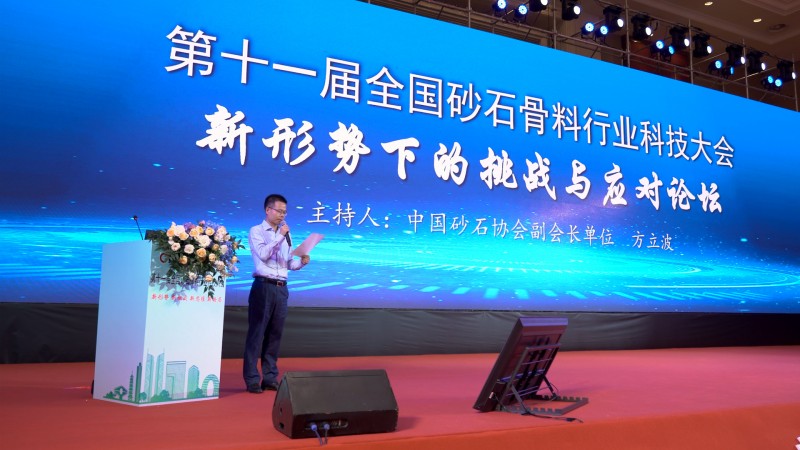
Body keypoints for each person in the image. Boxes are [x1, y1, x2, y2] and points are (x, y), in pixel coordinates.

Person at [243, 194, 310, 394]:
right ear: (268, 210)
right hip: (263, 286)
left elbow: (288, 263)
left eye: (285, 212)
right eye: (279, 211)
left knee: (275, 334)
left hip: (282, 288)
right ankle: (252, 379)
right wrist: (280, 236)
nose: (282, 215)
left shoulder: (286, 235)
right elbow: (263, 254)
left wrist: (302, 263)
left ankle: (270, 377)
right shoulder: (256, 231)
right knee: (257, 334)